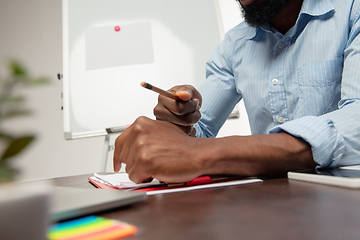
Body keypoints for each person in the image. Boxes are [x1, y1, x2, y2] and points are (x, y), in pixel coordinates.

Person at [113, 0, 360, 183]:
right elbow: (200, 130)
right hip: (272, 204)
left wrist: (204, 152)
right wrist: (180, 126)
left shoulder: (352, 10)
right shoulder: (235, 43)